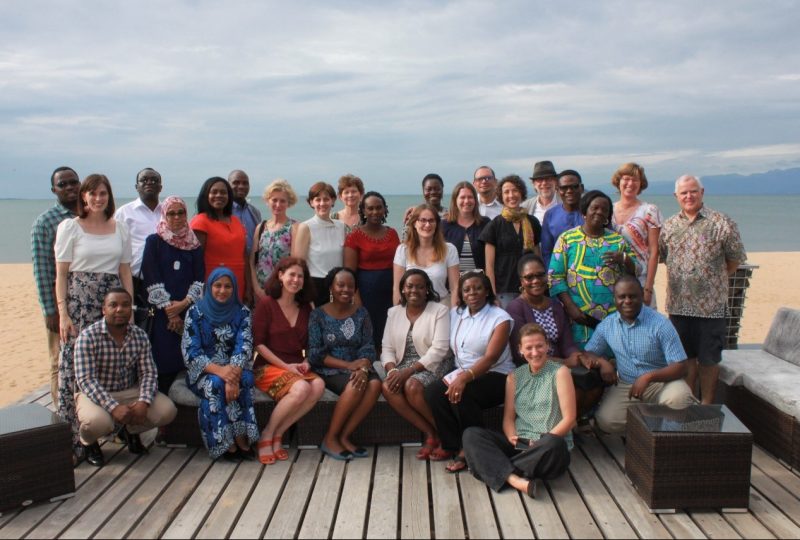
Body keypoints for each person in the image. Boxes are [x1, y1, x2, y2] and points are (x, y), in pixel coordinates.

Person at [55, 174, 134, 458]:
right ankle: (85, 440)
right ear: (84, 197)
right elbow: (61, 274)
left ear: (108, 196)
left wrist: (131, 310)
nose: (98, 198)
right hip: (80, 304)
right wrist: (63, 313)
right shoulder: (70, 228)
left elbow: (125, 271)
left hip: (113, 303)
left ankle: (117, 428)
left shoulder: (119, 227)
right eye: (92, 194)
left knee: (112, 364)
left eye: (103, 193)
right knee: (78, 371)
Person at [548, 190, 637, 417]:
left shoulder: (617, 240)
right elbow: (555, 276)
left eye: (604, 209)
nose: (599, 212)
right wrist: (569, 306)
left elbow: (635, 272)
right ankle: (579, 416)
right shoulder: (568, 239)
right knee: (582, 367)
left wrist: (623, 259)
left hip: (610, 319)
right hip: (578, 318)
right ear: (584, 211)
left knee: (608, 365)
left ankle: (601, 414)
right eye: (594, 208)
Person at [659, 175, 746, 404]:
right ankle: (687, 403)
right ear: (676, 196)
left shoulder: (721, 222)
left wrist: (714, 278)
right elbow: (664, 257)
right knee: (685, 359)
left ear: (702, 192)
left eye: (693, 191)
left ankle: (706, 404)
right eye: (684, 193)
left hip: (711, 307)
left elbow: (735, 259)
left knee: (709, 359)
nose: (689, 196)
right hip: (679, 306)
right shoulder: (669, 225)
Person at [463, 323, 575, 497]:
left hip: (547, 446)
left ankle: (494, 467)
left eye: (539, 346)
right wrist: (514, 440)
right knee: (471, 434)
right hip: (522, 443)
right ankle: (515, 479)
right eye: (529, 348)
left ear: (548, 346)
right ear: (520, 349)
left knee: (555, 444)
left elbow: (569, 419)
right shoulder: (514, 377)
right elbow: (508, 418)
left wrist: (540, 443)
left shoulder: (561, 372)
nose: (535, 352)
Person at [74, 288, 177, 467]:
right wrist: (114, 408)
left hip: (129, 391)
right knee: (97, 423)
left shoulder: (139, 336)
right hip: (95, 394)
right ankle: (89, 443)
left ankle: (131, 430)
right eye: (113, 305)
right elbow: (86, 380)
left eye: (125, 305)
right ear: (103, 310)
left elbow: (148, 373)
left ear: (131, 309)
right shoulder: (87, 337)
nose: (119, 310)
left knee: (167, 411)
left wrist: (143, 402)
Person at [424, 270, 514, 473]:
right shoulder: (456, 314)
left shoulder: (500, 318)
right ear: (462, 294)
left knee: (464, 394)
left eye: (477, 288)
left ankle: (471, 450)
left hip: (498, 374)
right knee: (433, 393)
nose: (472, 293)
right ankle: (452, 444)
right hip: (463, 371)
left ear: (487, 291)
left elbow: (490, 358)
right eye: (467, 289)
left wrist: (464, 378)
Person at [580, 275, 695, 433]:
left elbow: (682, 367)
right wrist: (602, 362)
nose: (627, 301)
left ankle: (666, 439)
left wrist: (648, 377)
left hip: (662, 383)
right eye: (622, 297)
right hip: (627, 385)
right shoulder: (608, 325)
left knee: (679, 398)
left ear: (642, 296)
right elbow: (588, 353)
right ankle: (649, 430)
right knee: (607, 421)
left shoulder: (660, 324)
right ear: (615, 299)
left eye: (632, 296)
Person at [252, 257, 324, 464]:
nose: (296, 280)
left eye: (301, 276)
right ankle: (267, 434)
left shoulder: (306, 308)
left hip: (295, 366)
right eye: (292, 274)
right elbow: (258, 344)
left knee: (318, 385)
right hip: (267, 366)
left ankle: (278, 433)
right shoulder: (266, 304)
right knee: (301, 388)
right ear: (280, 275)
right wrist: (286, 367)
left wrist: (308, 362)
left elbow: (312, 343)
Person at [182, 268, 258, 461]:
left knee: (247, 379)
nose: (222, 290)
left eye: (227, 286)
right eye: (217, 285)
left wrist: (231, 376)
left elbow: (245, 345)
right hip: (204, 371)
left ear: (234, 288)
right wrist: (222, 373)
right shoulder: (195, 312)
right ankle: (226, 443)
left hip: (234, 368)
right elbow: (191, 351)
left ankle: (241, 437)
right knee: (215, 384)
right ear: (209, 287)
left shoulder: (242, 313)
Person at [308, 267, 381, 460]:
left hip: (359, 364)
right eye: (341, 284)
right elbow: (314, 353)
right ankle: (330, 439)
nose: (346, 289)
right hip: (330, 367)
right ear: (331, 287)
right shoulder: (318, 315)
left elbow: (368, 346)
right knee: (357, 384)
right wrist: (348, 366)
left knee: (374, 384)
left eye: (351, 286)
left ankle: (344, 436)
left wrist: (364, 367)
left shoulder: (361, 313)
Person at [381, 269, 451, 460]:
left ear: (427, 289)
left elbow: (440, 349)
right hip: (403, 364)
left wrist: (408, 372)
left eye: (420, 286)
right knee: (388, 386)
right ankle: (431, 433)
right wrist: (392, 370)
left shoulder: (440, 310)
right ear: (402, 289)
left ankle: (448, 435)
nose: (414, 290)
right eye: (410, 286)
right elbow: (386, 348)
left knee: (412, 386)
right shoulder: (394, 312)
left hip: (434, 362)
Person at [141, 196, 205, 394]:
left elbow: (199, 278)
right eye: (171, 213)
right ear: (164, 215)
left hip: (188, 311)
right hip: (162, 315)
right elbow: (150, 275)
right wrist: (171, 311)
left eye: (181, 212)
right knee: (163, 360)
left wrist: (184, 304)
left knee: (187, 359)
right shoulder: (154, 242)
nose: (176, 217)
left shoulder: (194, 243)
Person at [31, 166, 79, 401]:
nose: (69, 187)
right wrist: (50, 311)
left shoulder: (88, 214)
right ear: (54, 190)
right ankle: (61, 420)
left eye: (73, 182)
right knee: (58, 362)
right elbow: (42, 270)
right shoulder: (46, 222)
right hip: (60, 304)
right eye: (63, 184)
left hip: (86, 301)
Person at [343, 191, 400, 348]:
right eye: (370, 208)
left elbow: (400, 263)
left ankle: (388, 365)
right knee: (368, 333)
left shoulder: (393, 233)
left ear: (384, 210)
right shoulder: (354, 236)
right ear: (363, 211)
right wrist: (356, 299)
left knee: (389, 333)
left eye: (378, 208)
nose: (375, 212)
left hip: (390, 292)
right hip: (366, 294)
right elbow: (349, 273)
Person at [506, 254, 580, 366]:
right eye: (529, 277)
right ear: (521, 281)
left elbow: (567, 344)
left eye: (540, 275)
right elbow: (522, 354)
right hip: (531, 371)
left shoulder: (555, 305)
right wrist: (565, 362)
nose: (536, 281)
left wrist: (576, 356)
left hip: (560, 369)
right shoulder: (515, 308)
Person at [481, 174, 542, 307]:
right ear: (501, 196)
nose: (511, 195)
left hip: (531, 286)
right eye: (506, 192)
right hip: (504, 291)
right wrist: (492, 295)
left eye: (515, 190)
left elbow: (537, 256)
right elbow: (489, 266)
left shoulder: (532, 222)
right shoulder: (494, 225)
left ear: (521, 193)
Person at [610, 163, 662, 307]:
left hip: (640, 278)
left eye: (635, 180)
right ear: (618, 181)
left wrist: (648, 288)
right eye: (626, 179)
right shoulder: (608, 209)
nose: (630, 183)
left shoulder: (649, 211)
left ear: (641, 184)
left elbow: (654, 251)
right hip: (611, 279)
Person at [191, 177, 249, 302]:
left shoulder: (236, 220)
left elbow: (244, 255)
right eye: (214, 192)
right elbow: (195, 260)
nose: (219, 195)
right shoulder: (201, 221)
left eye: (223, 192)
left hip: (238, 281)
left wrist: (249, 287)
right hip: (214, 284)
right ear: (206, 195)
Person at [114, 168, 163, 314]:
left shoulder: (168, 211)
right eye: (144, 180)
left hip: (165, 278)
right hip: (136, 281)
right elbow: (116, 248)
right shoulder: (124, 213)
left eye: (154, 180)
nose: (149, 183)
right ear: (136, 186)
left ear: (161, 187)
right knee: (141, 322)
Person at [393, 204, 460, 307]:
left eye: (431, 220)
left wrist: (455, 315)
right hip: (411, 308)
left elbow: (455, 288)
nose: (427, 225)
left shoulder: (449, 250)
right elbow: (397, 288)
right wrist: (399, 313)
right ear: (415, 223)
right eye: (423, 220)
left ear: (437, 224)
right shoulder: (403, 250)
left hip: (441, 306)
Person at [292, 182, 347, 307]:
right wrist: (306, 294)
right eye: (318, 200)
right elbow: (299, 264)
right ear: (311, 203)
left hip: (338, 286)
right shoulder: (306, 227)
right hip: (315, 288)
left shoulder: (341, 226)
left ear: (333, 201)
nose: (322, 203)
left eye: (326, 199)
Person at [250, 179, 299, 301]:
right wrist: (256, 288)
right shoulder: (261, 227)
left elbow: (295, 263)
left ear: (289, 203)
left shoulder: (294, 227)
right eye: (274, 200)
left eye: (282, 201)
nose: (278, 204)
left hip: (283, 292)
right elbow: (252, 261)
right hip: (260, 291)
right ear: (268, 201)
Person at [540, 170, 584, 269]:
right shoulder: (550, 215)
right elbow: (546, 252)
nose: (569, 191)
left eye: (574, 186)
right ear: (557, 190)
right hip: (560, 274)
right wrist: (552, 275)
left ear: (582, 188)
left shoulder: (592, 212)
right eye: (564, 188)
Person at [442, 182, 488, 273]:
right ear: (455, 200)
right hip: (452, 284)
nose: (466, 201)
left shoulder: (485, 224)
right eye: (462, 197)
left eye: (470, 197)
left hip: (480, 284)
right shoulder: (444, 225)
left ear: (475, 200)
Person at [229, 170, 263, 255]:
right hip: (228, 263)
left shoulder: (255, 212)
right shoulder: (222, 211)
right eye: (236, 182)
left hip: (251, 264)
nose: (241, 186)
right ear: (228, 185)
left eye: (245, 183)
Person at [521, 161, 560, 225]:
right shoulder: (525, 207)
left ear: (555, 181)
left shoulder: (565, 204)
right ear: (534, 184)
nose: (544, 183)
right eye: (539, 179)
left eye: (548, 179)